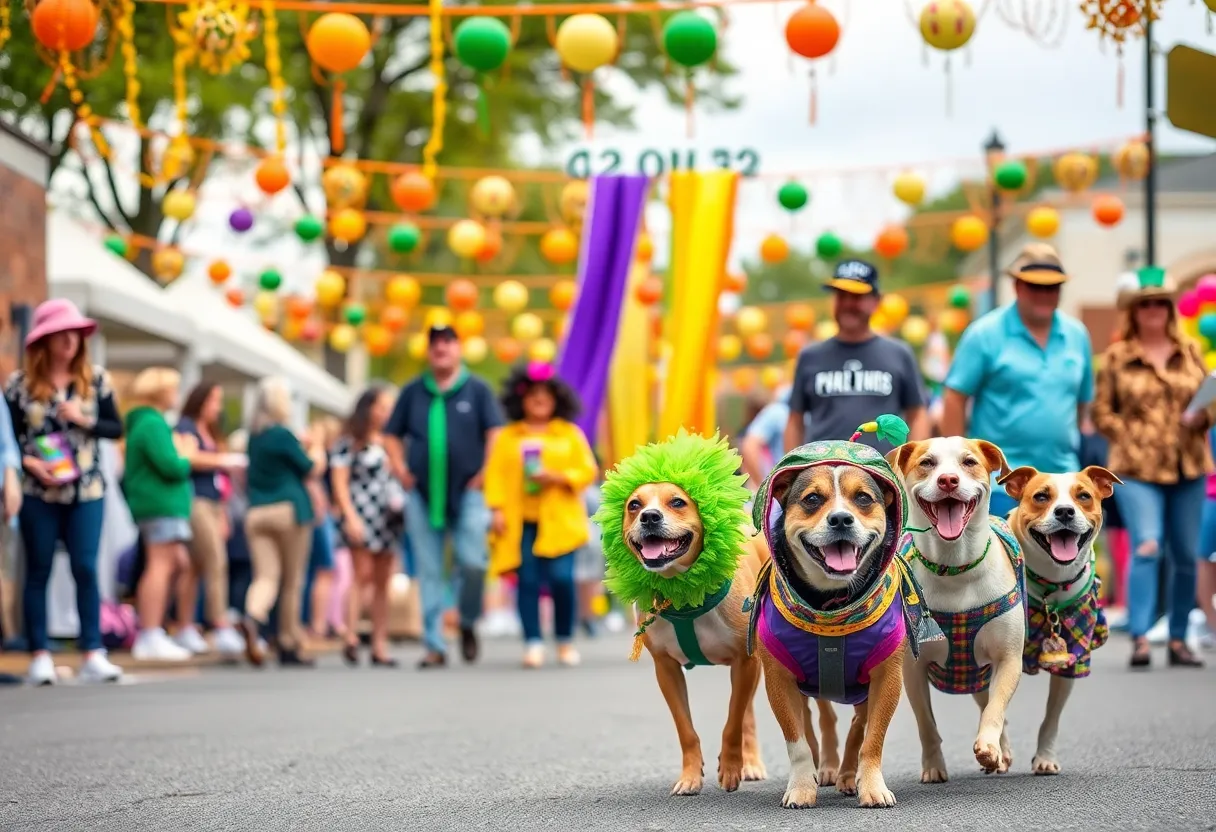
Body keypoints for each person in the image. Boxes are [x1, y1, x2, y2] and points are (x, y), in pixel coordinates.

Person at [1092, 267, 1210, 669]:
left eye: (1162, 302)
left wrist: (1202, 415)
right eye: (1147, 304)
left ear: (1170, 308)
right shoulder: (1117, 357)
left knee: (1185, 553)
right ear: (1135, 311)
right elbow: (1101, 412)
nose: (1155, 309)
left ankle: (1178, 639)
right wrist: (1131, 431)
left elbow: (1209, 400)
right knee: (1147, 543)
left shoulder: (1189, 350)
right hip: (1137, 467)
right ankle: (1141, 636)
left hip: (1187, 464)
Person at [5, 299, 123, 685]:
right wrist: (27, 462)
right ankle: (39, 653)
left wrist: (83, 419)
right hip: (40, 491)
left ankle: (93, 650)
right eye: (62, 333)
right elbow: (9, 437)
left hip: (86, 490)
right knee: (37, 568)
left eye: (75, 333)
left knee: (85, 567)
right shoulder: (19, 387)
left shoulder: (96, 380)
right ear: (46, 340)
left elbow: (114, 428)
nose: (70, 340)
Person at [942, 243, 1095, 517]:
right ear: (1017, 286)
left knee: (1065, 560)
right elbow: (955, 396)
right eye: (1035, 286)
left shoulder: (1077, 335)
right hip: (1001, 483)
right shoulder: (985, 333)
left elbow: (1083, 403)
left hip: (1062, 481)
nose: (1044, 294)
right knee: (999, 560)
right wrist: (957, 466)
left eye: (1052, 287)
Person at [384, 323, 503, 669]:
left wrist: (485, 472)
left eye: (448, 342)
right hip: (422, 494)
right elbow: (392, 435)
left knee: (474, 562)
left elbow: (495, 431)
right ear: (428, 350)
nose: (441, 348)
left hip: (468, 492)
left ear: (459, 349)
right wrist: (399, 468)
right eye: (435, 343)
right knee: (429, 569)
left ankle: (466, 621)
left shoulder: (477, 390)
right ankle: (434, 645)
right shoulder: (413, 392)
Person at [484, 362, 598, 668]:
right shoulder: (508, 436)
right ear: (520, 399)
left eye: (545, 395)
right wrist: (495, 510)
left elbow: (588, 470)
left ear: (556, 399)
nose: (538, 400)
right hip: (521, 522)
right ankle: (533, 642)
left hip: (561, 521)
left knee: (562, 579)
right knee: (528, 581)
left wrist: (557, 477)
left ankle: (564, 640)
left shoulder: (570, 434)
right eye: (532, 394)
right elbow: (494, 475)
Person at [785, 259, 928, 453]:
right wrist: (790, 471)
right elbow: (795, 421)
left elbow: (917, 413)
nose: (848, 304)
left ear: (876, 301)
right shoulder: (810, 357)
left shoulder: (899, 354)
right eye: (841, 296)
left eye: (856, 297)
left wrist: (912, 464)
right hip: (822, 474)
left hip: (881, 475)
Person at [241, 377, 327, 668]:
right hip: (288, 511)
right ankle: (289, 641)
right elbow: (311, 468)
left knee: (266, 576)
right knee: (292, 581)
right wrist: (317, 447)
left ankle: (253, 615)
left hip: (256, 513)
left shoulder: (253, 437)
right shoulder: (283, 435)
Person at [123, 368, 200, 662]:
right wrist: (187, 453)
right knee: (161, 564)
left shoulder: (147, 423)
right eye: (173, 388)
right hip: (160, 504)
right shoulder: (152, 423)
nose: (177, 394)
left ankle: (157, 628)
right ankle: (150, 632)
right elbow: (172, 466)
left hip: (162, 505)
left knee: (178, 562)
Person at [330, 386, 404, 667]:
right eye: (381, 407)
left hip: (389, 517)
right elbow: (339, 481)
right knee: (361, 575)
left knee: (383, 581)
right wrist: (350, 516)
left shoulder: (392, 442)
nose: (386, 413)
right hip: (362, 513)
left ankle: (379, 644)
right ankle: (350, 635)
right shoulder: (349, 442)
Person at [173, 382, 243, 657]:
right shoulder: (186, 427)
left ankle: (185, 626)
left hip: (215, 502)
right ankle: (220, 624)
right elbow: (187, 458)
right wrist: (223, 460)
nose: (219, 407)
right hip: (196, 500)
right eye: (215, 400)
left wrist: (224, 513)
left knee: (196, 566)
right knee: (216, 559)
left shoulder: (211, 432)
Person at [741, 385, 791, 488]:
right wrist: (762, 486)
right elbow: (749, 447)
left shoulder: (778, 411)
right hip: (780, 487)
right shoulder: (778, 411)